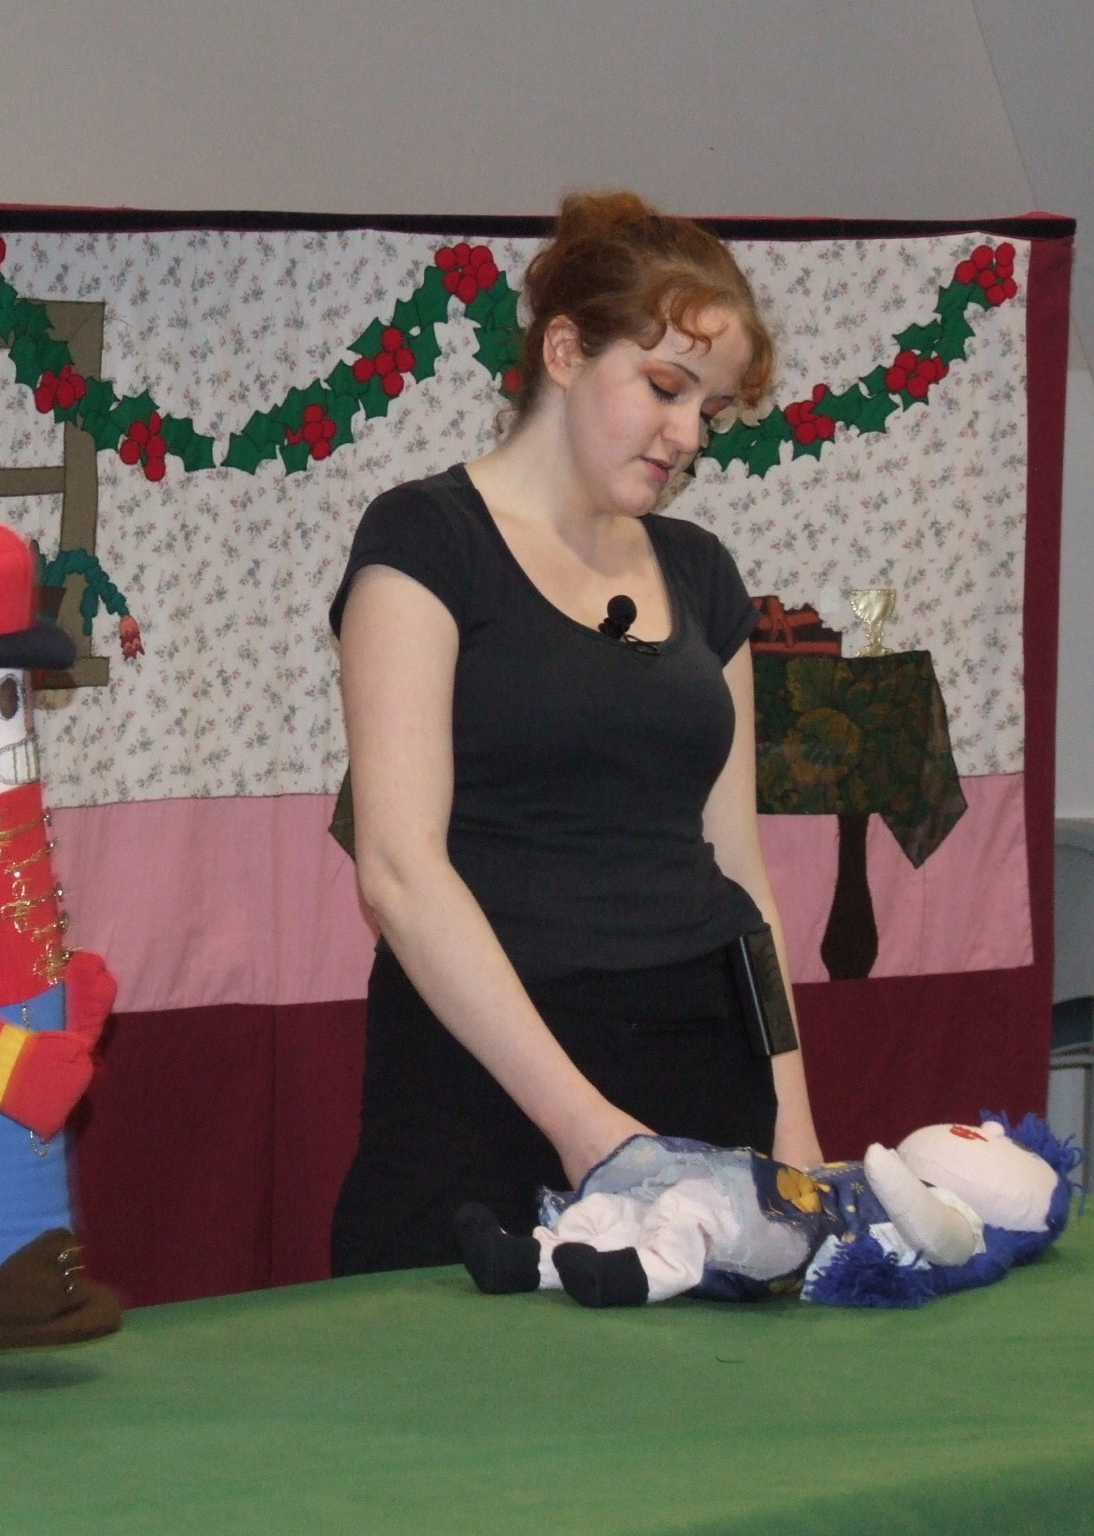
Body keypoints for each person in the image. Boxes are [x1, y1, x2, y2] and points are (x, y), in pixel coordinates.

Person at [329, 192, 824, 1276]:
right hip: (486, 1088)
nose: (687, 436)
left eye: (709, 410)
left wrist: (791, 1128)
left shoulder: (700, 572)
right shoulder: (427, 541)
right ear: (564, 351)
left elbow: (739, 875)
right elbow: (399, 872)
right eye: (665, 388)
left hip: (703, 1070)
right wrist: (589, 1130)